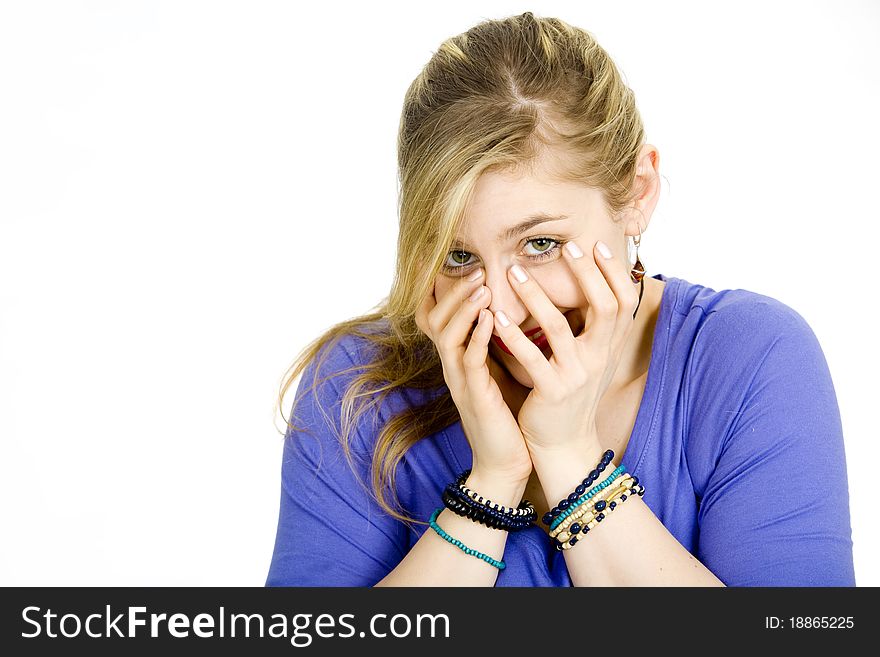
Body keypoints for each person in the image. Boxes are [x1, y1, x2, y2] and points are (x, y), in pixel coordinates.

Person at [265, 12, 855, 586]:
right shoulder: (356, 386)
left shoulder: (749, 358)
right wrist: (491, 485)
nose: (503, 308)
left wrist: (569, 456)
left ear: (636, 193)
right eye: (458, 255)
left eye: (541, 244)